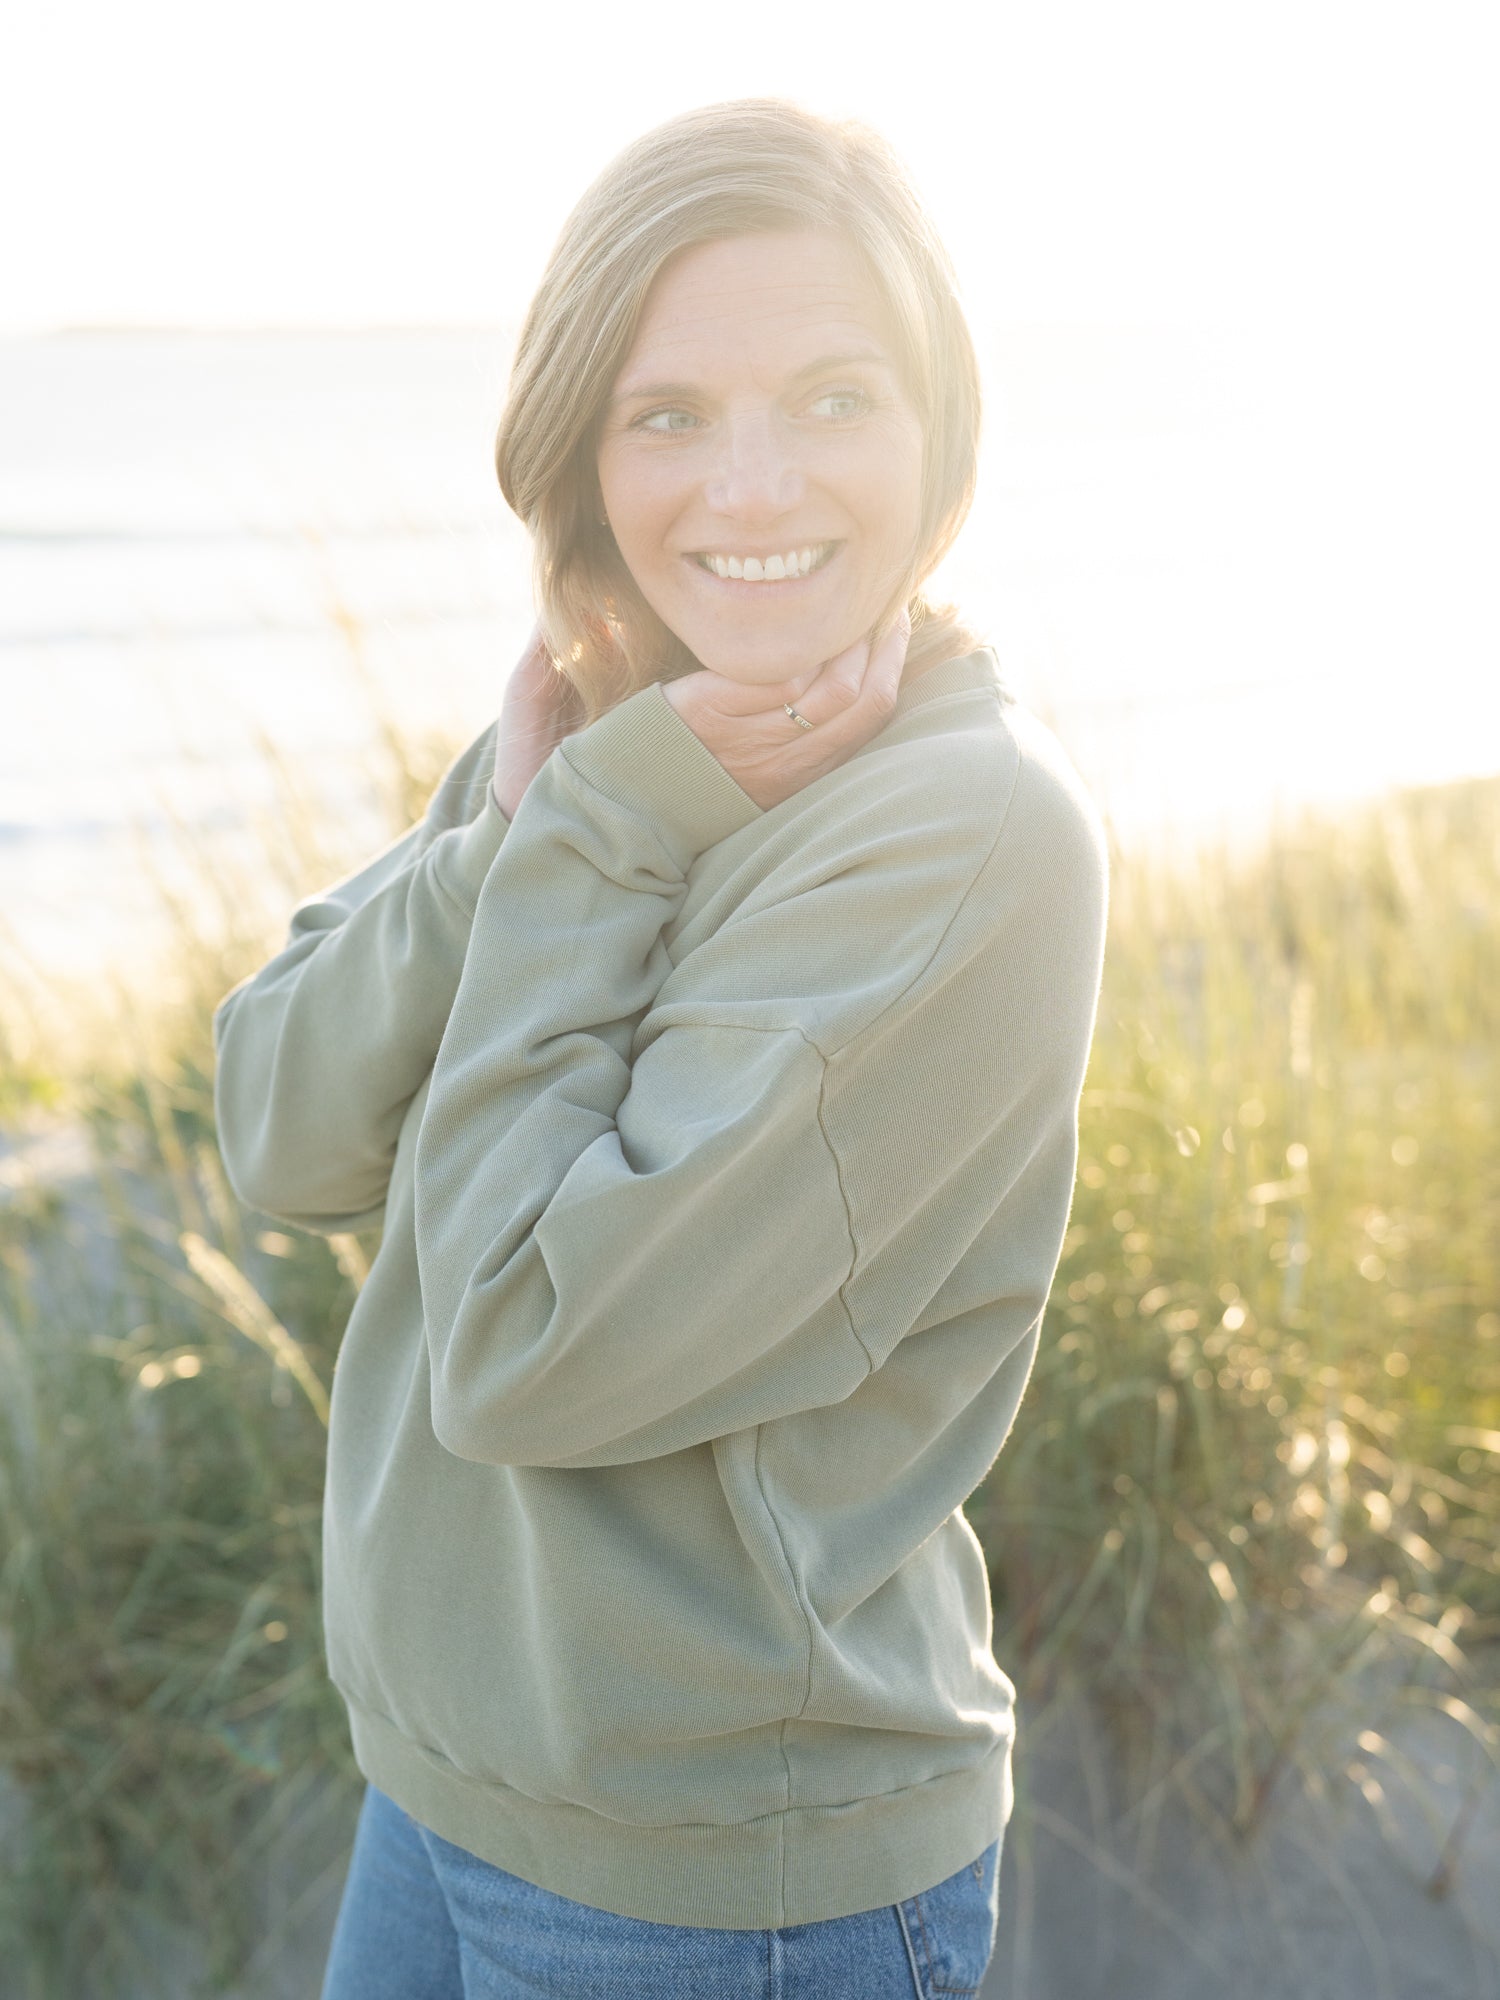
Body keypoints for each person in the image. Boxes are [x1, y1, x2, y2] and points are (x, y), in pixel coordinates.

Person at [212, 95, 1109, 1999]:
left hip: (720, 1882)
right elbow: (277, 1134)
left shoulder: (964, 830)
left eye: (836, 398)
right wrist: (515, 845)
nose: (756, 490)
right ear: (580, 457)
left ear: (939, 425)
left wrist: (601, 832)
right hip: (441, 1791)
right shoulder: (623, 721)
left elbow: (530, 1343)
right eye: (671, 414)